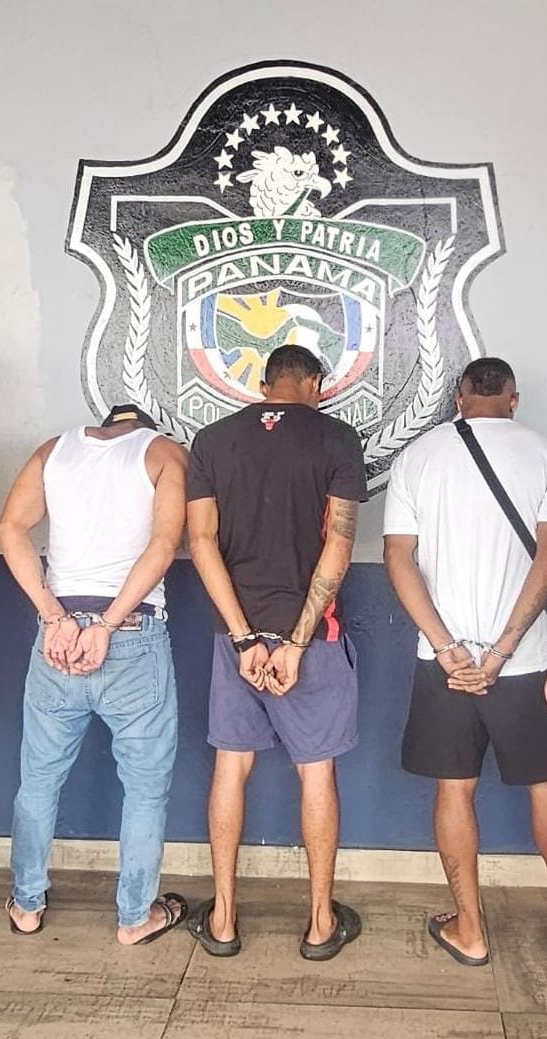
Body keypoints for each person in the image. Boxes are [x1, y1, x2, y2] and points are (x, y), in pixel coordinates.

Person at [383, 357, 547, 967]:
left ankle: (470, 931)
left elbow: (398, 557)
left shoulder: (417, 457)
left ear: (458, 399)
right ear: (513, 398)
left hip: (445, 663)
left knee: (455, 790)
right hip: (527, 660)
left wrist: (447, 647)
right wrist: (503, 648)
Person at [185, 344, 367, 960]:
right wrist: (295, 641)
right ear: (314, 383)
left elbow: (201, 542)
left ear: (265, 385)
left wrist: (243, 637)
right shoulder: (337, 439)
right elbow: (338, 544)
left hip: (233, 640)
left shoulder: (212, 440)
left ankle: (224, 920)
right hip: (312, 641)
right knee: (316, 772)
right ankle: (319, 924)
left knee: (230, 767)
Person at [0, 404, 190, 944]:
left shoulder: (53, 451)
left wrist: (53, 615)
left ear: (104, 425)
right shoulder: (164, 453)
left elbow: (10, 528)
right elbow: (164, 545)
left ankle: (27, 905)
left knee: (38, 780)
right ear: (144, 427)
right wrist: (105, 624)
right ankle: (135, 917)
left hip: (58, 637)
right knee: (145, 790)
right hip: (131, 633)